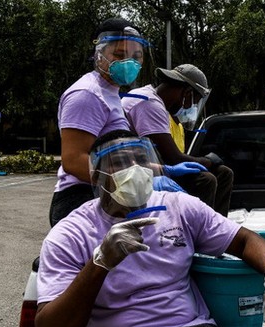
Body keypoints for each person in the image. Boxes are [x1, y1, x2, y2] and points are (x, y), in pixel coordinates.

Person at [35, 130, 265, 327]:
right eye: (120, 162)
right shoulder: (71, 233)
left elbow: (244, 240)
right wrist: (101, 262)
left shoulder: (179, 207)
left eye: (141, 159)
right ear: (97, 174)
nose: (134, 169)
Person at [48, 18, 202, 226]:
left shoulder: (110, 93)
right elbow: (74, 160)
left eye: (136, 57)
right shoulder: (87, 94)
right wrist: (134, 185)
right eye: (120, 55)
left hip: (109, 195)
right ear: (99, 55)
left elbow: (116, 159)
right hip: (82, 199)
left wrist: (161, 171)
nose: (129, 63)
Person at [122, 64, 234, 217]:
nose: (191, 107)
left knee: (223, 173)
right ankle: (199, 233)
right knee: (204, 180)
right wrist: (208, 161)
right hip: (131, 172)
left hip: (144, 166)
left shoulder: (153, 100)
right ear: (187, 93)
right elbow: (173, 158)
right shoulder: (148, 103)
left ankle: (219, 230)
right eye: (194, 102)